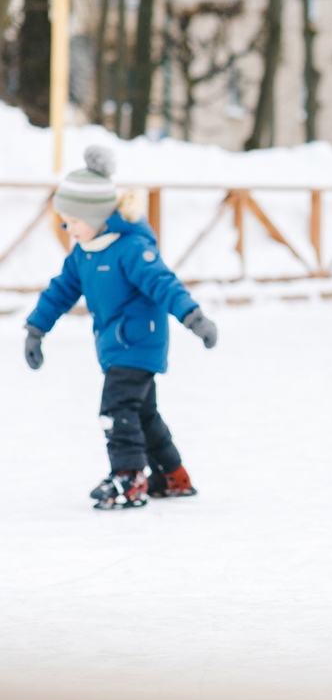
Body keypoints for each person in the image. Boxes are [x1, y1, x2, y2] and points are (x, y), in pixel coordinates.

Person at [23, 146, 217, 510]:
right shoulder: (85, 252)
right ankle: (171, 476)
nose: (68, 227)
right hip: (115, 346)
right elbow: (60, 290)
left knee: (116, 410)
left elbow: (164, 284)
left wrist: (194, 318)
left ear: (97, 215)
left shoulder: (131, 249)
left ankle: (128, 478)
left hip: (139, 343)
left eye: (74, 220)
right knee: (143, 413)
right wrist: (36, 329)